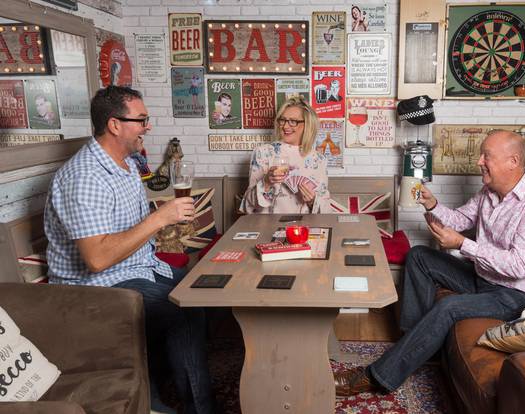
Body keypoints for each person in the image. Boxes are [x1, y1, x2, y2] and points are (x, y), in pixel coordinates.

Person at [334, 130, 525, 396]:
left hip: (517, 295)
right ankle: (416, 343)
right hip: (484, 278)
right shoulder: (490, 191)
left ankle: (376, 377)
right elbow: (459, 221)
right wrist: (433, 205)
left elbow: (519, 266)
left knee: (450, 306)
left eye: (486, 156)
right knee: (419, 256)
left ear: (512, 161)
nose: (479, 161)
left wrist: (462, 244)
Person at [44, 86, 216, 414]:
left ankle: (158, 386)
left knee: (204, 288)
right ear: (114, 125)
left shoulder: (126, 163)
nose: (147, 127)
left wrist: (162, 222)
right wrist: (159, 218)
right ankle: (198, 408)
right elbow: (97, 259)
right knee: (185, 311)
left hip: (137, 267)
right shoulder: (86, 177)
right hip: (95, 291)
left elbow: (128, 234)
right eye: (141, 120)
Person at [240, 96, 331, 214]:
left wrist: (312, 201)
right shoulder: (263, 153)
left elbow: (326, 211)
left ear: (307, 125)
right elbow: (249, 206)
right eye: (282, 120)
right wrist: (266, 182)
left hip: (304, 227)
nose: (285, 126)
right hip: (267, 226)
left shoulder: (318, 159)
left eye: (293, 121)